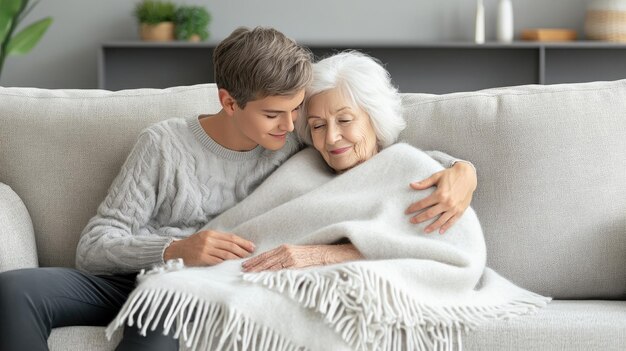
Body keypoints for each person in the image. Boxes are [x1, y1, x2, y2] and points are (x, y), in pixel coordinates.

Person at [0, 28, 475, 351]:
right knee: (14, 289)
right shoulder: (163, 144)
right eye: (274, 114)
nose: (293, 126)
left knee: (168, 302)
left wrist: (460, 169)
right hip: (138, 271)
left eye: (295, 112)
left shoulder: (295, 145)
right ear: (229, 101)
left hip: (199, 287)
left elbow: (379, 167)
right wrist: (177, 248)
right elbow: (93, 247)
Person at [242, 50, 478, 272]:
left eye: (344, 120)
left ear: (375, 118)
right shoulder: (301, 168)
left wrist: (465, 170)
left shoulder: (414, 169)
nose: (332, 138)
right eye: (318, 125)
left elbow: (441, 250)